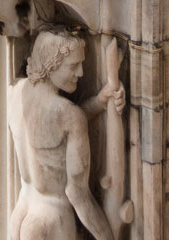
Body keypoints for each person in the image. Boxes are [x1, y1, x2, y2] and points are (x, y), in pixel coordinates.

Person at [7, 29, 124, 240]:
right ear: (51, 65)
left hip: (20, 215)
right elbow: (78, 194)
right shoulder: (68, 115)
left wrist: (98, 103)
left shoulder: (15, 91)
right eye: (72, 66)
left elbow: (50, 132)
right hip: (52, 225)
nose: (80, 73)